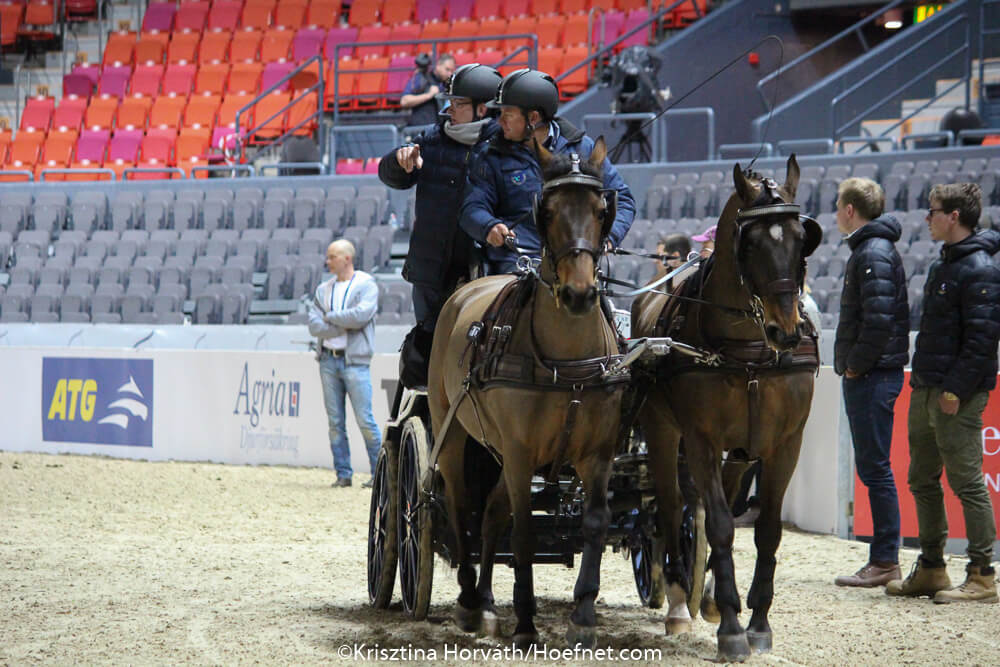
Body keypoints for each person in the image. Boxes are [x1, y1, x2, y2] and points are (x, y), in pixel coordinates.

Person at [887, 183, 1000, 603]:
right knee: (921, 478)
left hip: (955, 393)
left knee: (967, 483)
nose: (927, 218)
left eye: (932, 211)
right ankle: (932, 567)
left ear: (954, 216)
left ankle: (982, 574)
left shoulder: (981, 268)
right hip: (927, 386)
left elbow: (983, 339)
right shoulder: (944, 264)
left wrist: (955, 388)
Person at [379, 63, 502, 388]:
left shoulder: (505, 147)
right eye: (450, 101)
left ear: (482, 109)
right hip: (432, 267)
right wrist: (399, 162)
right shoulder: (431, 140)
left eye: (458, 103)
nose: (449, 109)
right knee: (430, 348)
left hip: (485, 266)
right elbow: (390, 174)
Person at [460, 68, 636, 274]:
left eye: (507, 114)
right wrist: (488, 226)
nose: (500, 121)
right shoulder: (489, 155)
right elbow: (472, 207)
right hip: (516, 262)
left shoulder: (583, 148)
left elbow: (622, 199)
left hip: (574, 263)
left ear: (533, 117)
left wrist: (610, 236)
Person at [831, 177, 910, 588]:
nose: (836, 213)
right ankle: (883, 557)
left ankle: (885, 560)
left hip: (873, 374)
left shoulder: (872, 252)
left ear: (849, 210)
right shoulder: (870, 249)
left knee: (876, 469)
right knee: (873, 467)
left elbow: (878, 322)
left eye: (837, 206)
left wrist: (855, 366)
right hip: (873, 372)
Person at [307, 240, 382, 489]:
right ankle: (343, 474)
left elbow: (360, 316)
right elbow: (313, 324)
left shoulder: (366, 284)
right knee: (335, 422)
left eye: (332, 257)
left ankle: (380, 474)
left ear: (347, 258)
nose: (328, 261)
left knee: (365, 420)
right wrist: (342, 325)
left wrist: (329, 318)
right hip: (328, 360)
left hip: (355, 362)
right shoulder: (323, 289)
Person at [400, 53, 456, 128]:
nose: (449, 74)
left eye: (452, 71)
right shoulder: (421, 78)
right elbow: (404, 101)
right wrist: (429, 95)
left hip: (436, 129)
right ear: (438, 65)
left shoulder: (446, 84)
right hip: (419, 129)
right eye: (447, 69)